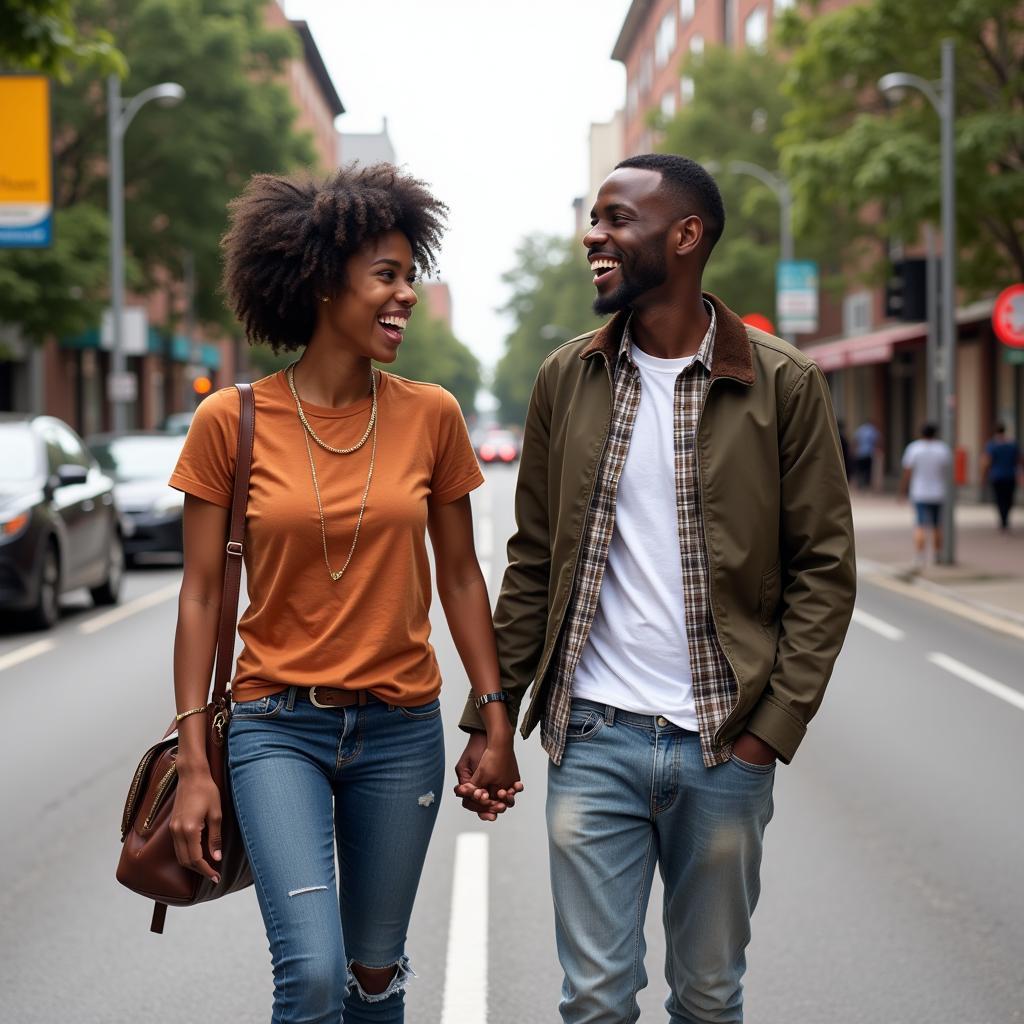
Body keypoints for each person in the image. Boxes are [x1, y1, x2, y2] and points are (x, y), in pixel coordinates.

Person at [455, 154, 856, 1022]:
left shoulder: (782, 383)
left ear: (686, 235)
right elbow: (533, 562)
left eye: (616, 219)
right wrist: (493, 717)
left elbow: (825, 569)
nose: (594, 237)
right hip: (594, 733)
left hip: (724, 740)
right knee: (595, 1000)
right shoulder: (568, 377)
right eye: (593, 219)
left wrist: (769, 733)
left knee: (709, 998)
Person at [167, 165, 521, 1024]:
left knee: (371, 973)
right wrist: (192, 763)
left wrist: (495, 709)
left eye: (411, 274)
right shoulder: (233, 421)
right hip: (273, 728)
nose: (406, 293)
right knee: (314, 973)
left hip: (400, 729)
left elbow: (463, 573)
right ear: (324, 282)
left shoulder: (430, 414)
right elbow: (202, 596)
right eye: (387, 275)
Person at [900, 422, 952, 567]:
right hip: (938, 492)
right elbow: (946, 470)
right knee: (937, 525)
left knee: (920, 525)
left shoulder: (914, 448)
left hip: (920, 492)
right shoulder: (942, 449)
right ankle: (937, 555)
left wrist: (902, 491)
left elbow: (907, 471)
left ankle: (920, 556)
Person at [980, 422, 1022, 530]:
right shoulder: (1012, 444)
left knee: (999, 499)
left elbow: (987, 461)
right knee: (1009, 498)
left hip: (997, 476)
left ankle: (1003, 520)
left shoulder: (992, 445)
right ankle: (1005, 518)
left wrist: (983, 476)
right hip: (1010, 475)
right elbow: (1019, 460)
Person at [852, 418, 881, 489]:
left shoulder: (861, 429)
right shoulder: (873, 430)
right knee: (868, 471)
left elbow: (855, 440)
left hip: (860, 453)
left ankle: (859, 484)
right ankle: (866, 484)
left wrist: (854, 450)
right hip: (868, 453)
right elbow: (877, 441)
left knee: (860, 470)